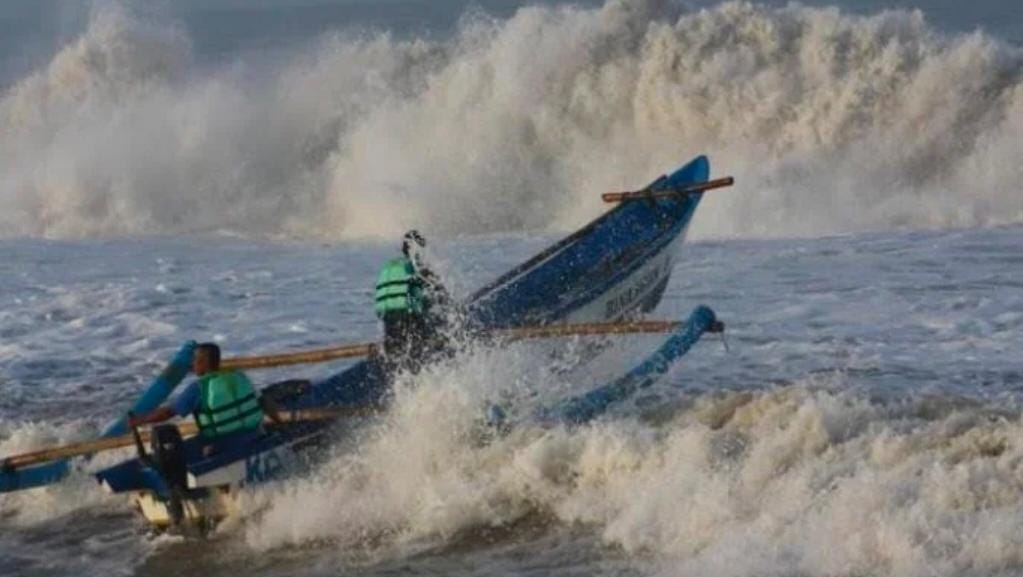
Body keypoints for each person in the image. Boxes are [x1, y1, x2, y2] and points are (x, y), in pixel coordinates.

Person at [128, 342, 273, 446]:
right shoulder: (240, 376)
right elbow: (263, 401)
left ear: (203, 362)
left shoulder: (198, 388)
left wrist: (140, 420)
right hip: (255, 434)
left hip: (223, 443)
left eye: (194, 360)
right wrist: (279, 424)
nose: (192, 364)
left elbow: (168, 413)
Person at [374, 230, 451, 371]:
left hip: (388, 322)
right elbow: (443, 299)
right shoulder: (419, 268)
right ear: (419, 249)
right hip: (409, 320)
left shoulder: (389, 266)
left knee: (397, 356)